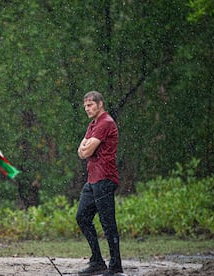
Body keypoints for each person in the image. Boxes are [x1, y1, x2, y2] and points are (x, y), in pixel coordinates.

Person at [76, 91, 123, 276]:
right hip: (92, 179)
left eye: (90, 105)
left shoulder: (105, 123)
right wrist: (85, 148)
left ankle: (116, 266)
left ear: (100, 104)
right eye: (85, 106)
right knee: (82, 217)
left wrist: (85, 149)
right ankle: (97, 261)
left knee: (107, 222)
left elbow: (86, 152)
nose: (87, 109)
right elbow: (81, 150)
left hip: (105, 178)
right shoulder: (93, 124)